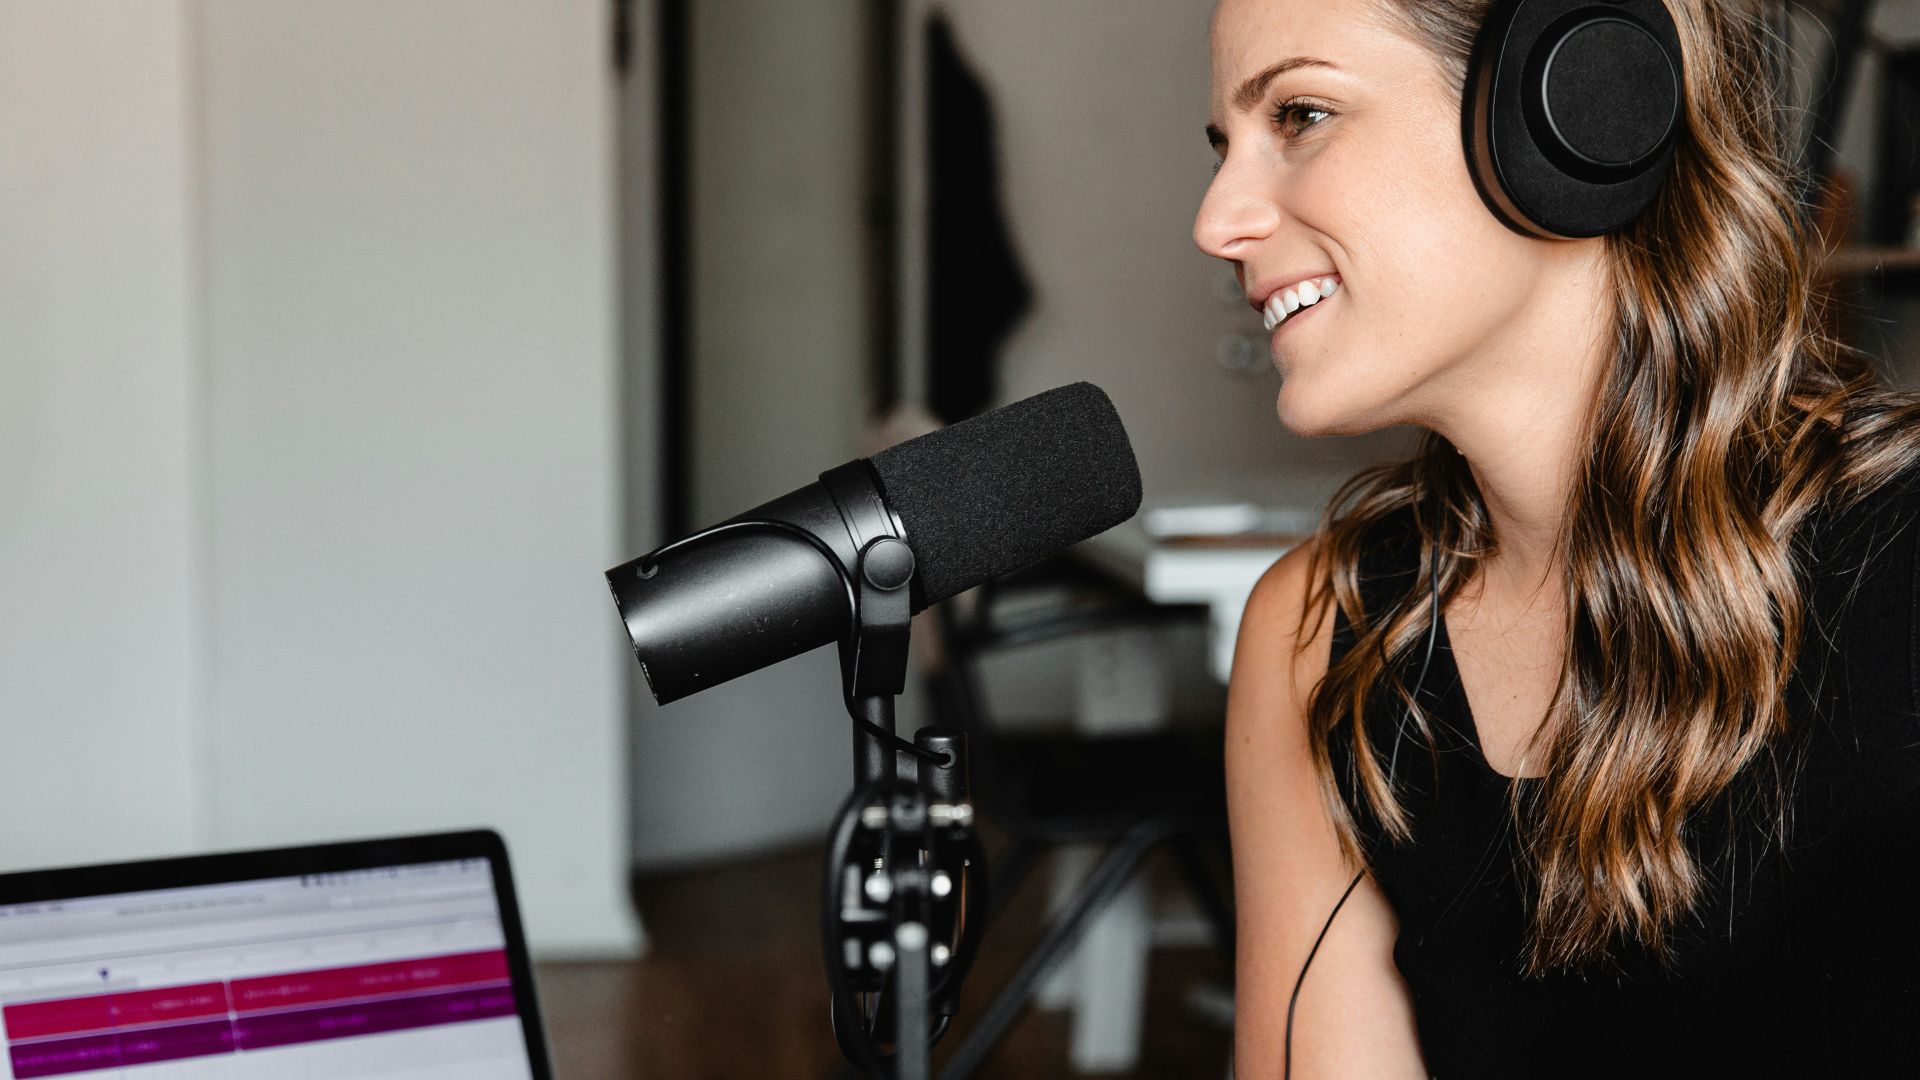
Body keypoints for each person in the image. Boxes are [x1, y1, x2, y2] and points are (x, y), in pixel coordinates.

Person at [1192, 0, 1920, 1075]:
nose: (1218, 220)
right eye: (1223, 147)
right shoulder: (1324, 636)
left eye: (1300, 114)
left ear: (1578, 97)